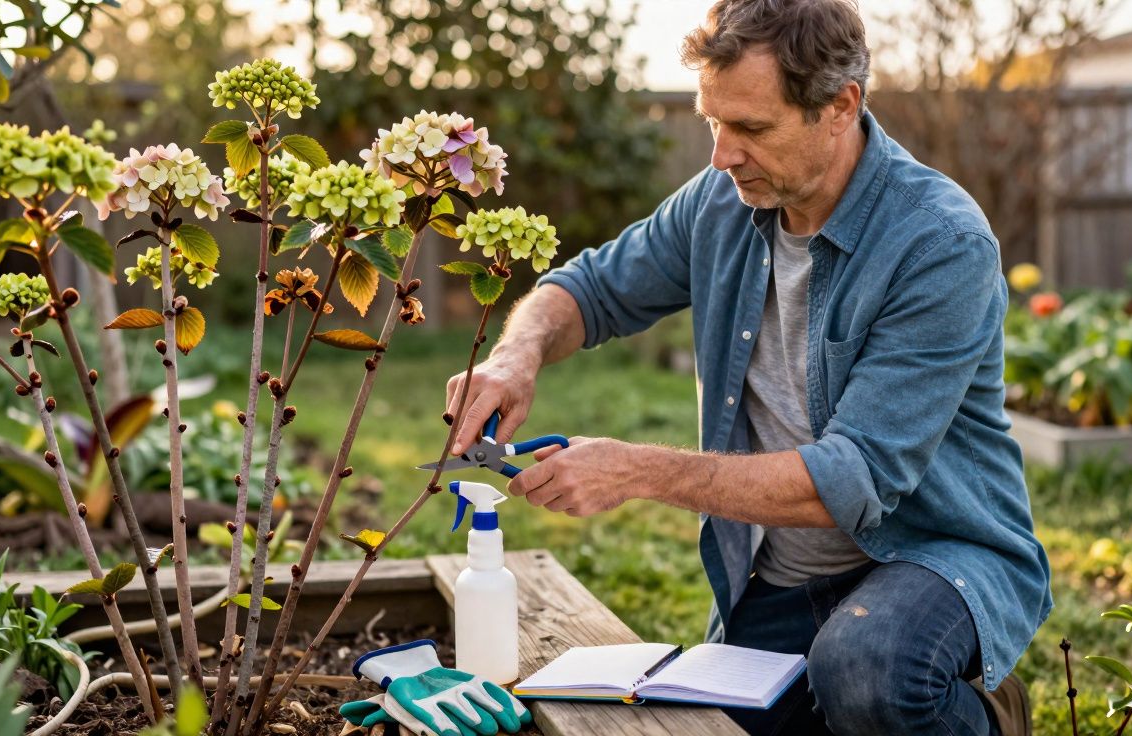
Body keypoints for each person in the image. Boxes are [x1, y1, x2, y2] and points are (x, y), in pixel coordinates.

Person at [443, 0, 1051, 733]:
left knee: (866, 669)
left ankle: (987, 713)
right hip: (784, 579)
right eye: (713, 122)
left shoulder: (938, 244)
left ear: (839, 106)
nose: (721, 154)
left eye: (751, 129)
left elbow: (851, 480)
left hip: (933, 557)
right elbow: (589, 289)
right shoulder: (721, 202)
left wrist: (635, 471)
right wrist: (514, 358)